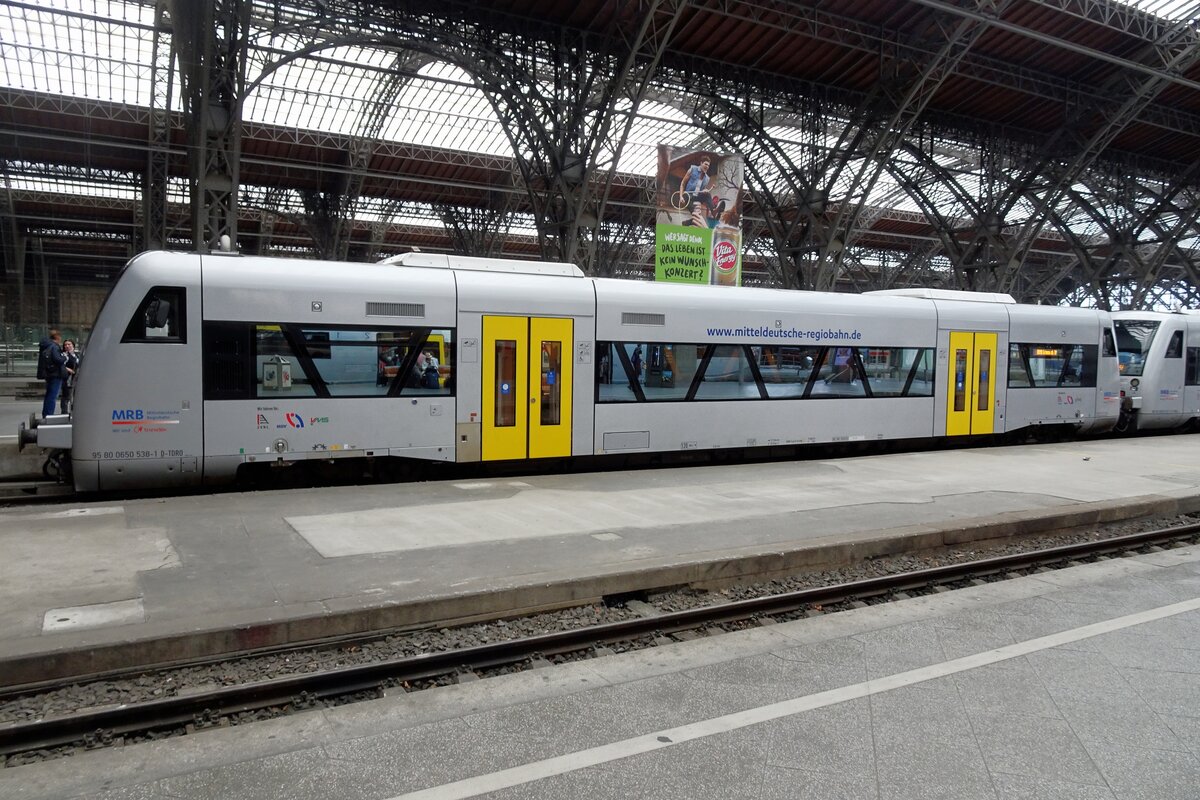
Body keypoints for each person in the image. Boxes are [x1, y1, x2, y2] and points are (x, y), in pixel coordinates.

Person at [39, 329, 66, 418]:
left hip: (49, 373)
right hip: (56, 374)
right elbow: (57, 359)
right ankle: (49, 414)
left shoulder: (46, 345)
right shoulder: (54, 346)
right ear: (57, 337)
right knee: (53, 395)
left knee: (49, 395)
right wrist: (64, 357)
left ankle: (46, 413)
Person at [59, 338, 79, 414]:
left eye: (69, 344)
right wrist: (68, 369)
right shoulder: (63, 355)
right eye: (65, 345)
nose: (67, 346)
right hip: (67, 378)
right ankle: (64, 412)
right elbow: (61, 364)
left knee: (73, 395)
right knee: (66, 395)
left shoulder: (76, 355)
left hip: (75, 378)